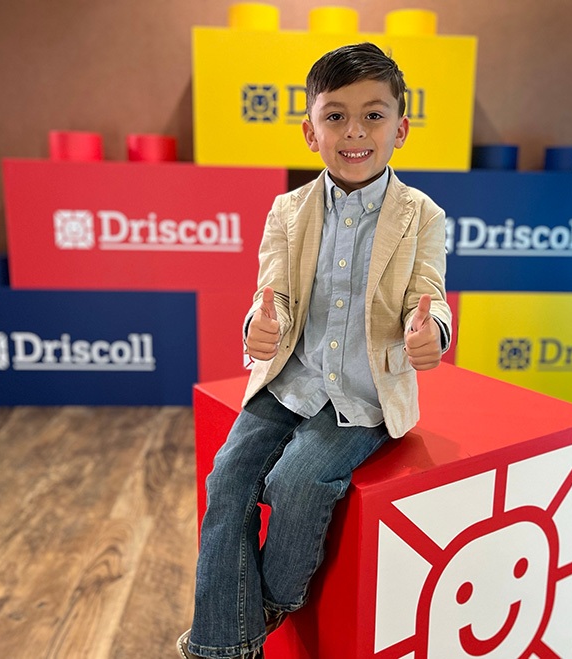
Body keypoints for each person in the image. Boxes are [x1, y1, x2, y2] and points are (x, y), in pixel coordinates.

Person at [178, 42, 451, 659]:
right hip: (291, 380)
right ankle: (221, 647)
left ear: (401, 128)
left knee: (298, 480)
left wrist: (430, 330)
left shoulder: (422, 215)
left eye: (374, 115)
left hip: (362, 393)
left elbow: (427, 292)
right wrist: (256, 325)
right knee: (228, 479)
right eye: (335, 116)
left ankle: (269, 602)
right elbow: (268, 291)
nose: (355, 132)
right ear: (311, 131)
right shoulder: (287, 210)